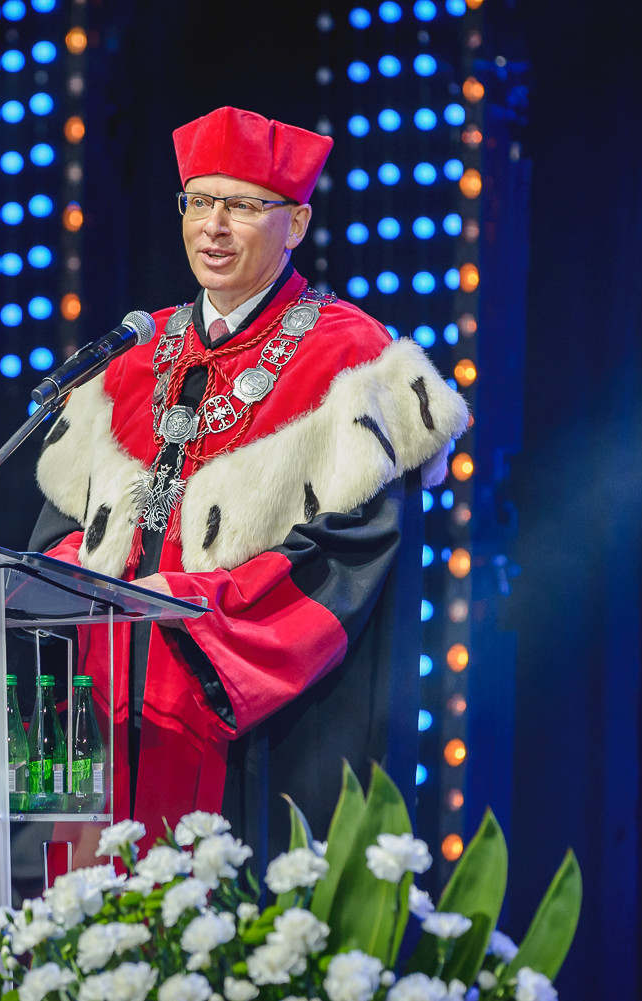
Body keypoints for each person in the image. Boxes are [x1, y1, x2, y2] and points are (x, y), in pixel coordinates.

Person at [29, 106, 467, 858]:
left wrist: (196, 609)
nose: (213, 226)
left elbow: (352, 556)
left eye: (241, 205)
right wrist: (64, 583)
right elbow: (60, 532)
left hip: (250, 728)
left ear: (296, 223)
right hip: (107, 718)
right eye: (199, 202)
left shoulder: (352, 359)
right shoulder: (131, 355)